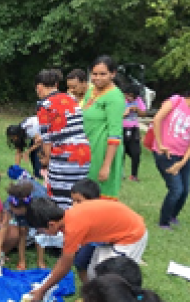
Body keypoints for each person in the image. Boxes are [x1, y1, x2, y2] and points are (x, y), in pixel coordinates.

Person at [24, 197, 147, 302]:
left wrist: (42, 290)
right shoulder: (68, 216)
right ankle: (96, 300)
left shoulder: (73, 228)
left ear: (51, 224)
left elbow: (64, 265)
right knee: (94, 271)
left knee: (112, 279)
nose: (41, 234)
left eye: (41, 231)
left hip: (131, 236)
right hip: (113, 234)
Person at [151, 82, 190, 230]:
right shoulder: (176, 101)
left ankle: (172, 215)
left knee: (185, 191)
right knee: (176, 190)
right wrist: (160, 144)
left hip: (183, 157)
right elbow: (157, 119)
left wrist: (182, 162)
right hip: (165, 154)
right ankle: (163, 222)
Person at [35, 69, 91, 210]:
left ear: (39, 87)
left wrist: (46, 161)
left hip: (65, 154)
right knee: (78, 194)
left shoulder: (44, 105)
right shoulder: (71, 98)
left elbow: (47, 139)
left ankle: (63, 228)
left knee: (59, 199)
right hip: (83, 153)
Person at [81, 55, 125, 199]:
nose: (97, 78)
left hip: (103, 151)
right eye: (94, 74)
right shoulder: (91, 91)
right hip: (88, 148)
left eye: (103, 74)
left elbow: (115, 133)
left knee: (99, 194)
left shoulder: (115, 97)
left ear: (113, 74)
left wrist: (106, 165)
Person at [0, 179, 47, 270]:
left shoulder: (39, 204)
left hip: (36, 207)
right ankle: (22, 260)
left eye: (16, 212)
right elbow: (4, 225)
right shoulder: (9, 204)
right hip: (24, 205)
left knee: (40, 231)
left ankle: (40, 261)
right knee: (22, 230)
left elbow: (41, 233)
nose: (14, 213)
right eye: (12, 211)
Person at [69, 178, 102, 283]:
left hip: (105, 243)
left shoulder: (101, 213)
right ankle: (88, 289)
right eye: (73, 201)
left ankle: (99, 292)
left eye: (78, 201)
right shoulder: (76, 213)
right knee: (80, 262)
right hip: (90, 242)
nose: (74, 205)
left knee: (98, 269)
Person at [122, 84, 146, 182]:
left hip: (133, 129)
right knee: (120, 153)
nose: (131, 98)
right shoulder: (121, 100)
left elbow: (144, 114)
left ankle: (134, 175)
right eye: (129, 96)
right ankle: (120, 174)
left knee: (136, 153)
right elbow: (114, 116)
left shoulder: (139, 100)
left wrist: (137, 109)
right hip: (121, 128)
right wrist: (125, 113)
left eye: (133, 97)